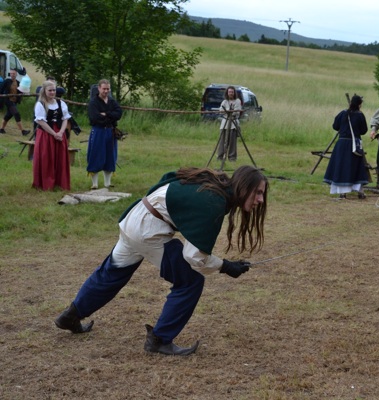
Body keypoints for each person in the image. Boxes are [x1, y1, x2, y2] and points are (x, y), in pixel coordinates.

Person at [54, 165, 268, 356]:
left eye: (262, 194)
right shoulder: (214, 201)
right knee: (190, 280)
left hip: (135, 218)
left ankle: (71, 316)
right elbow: (195, 257)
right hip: (148, 230)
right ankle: (160, 340)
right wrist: (226, 266)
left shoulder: (213, 182)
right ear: (243, 186)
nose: (260, 200)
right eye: (257, 193)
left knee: (111, 273)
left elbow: (169, 177)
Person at [323, 94, 369, 199]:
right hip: (354, 145)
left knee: (341, 166)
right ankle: (360, 192)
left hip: (342, 143)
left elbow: (335, 126)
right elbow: (364, 130)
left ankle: (342, 193)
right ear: (360, 104)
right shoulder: (360, 115)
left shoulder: (343, 113)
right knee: (356, 167)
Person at [32, 80, 71, 191]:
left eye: (54, 90)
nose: (52, 92)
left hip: (59, 134)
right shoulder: (40, 104)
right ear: (44, 91)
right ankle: (46, 183)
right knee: (46, 158)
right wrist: (54, 133)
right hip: (46, 134)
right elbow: (41, 122)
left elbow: (65, 119)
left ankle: (60, 182)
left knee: (60, 158)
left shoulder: (61, 103)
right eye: (50, 90)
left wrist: (61, 132)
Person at [87, 79, 123, 189]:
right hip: (98, 131)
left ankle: (107, 183)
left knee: (110, 155)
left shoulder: (112, 101)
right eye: (104, 89)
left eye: (108, 89)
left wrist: (106, 114)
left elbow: (119, 113)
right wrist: (110, 117)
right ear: (99, 88)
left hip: (110, 132)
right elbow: (95, 118)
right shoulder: (93, 102)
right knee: (96, 154)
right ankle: (95, 184)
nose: (106, 91)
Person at [0, 68, 30, 136]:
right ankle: (23, 131)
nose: (12, 75)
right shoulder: (7, 81)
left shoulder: (18, 82)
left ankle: (1, 129)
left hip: (14, 101)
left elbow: (21, 91)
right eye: (11, 73)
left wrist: (25, 92)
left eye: (13, 73)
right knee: (16, 114)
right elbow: (1, 89)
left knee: (8, 115)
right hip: (8, 100)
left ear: (16, 74)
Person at [217, 86, 242, 162]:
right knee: (222, 141)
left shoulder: (237, 101)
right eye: (229, 92)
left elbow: (236, 112)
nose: (230, 93)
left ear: (234, 93)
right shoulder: (224, 101)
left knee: (232, 142)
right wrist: (228, 111)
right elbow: (221, 110)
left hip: (233, 124)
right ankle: (220, 157)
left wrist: (228, 111)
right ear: (227, 93)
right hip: (225, 123)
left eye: (232, 92)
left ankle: (232, 158)